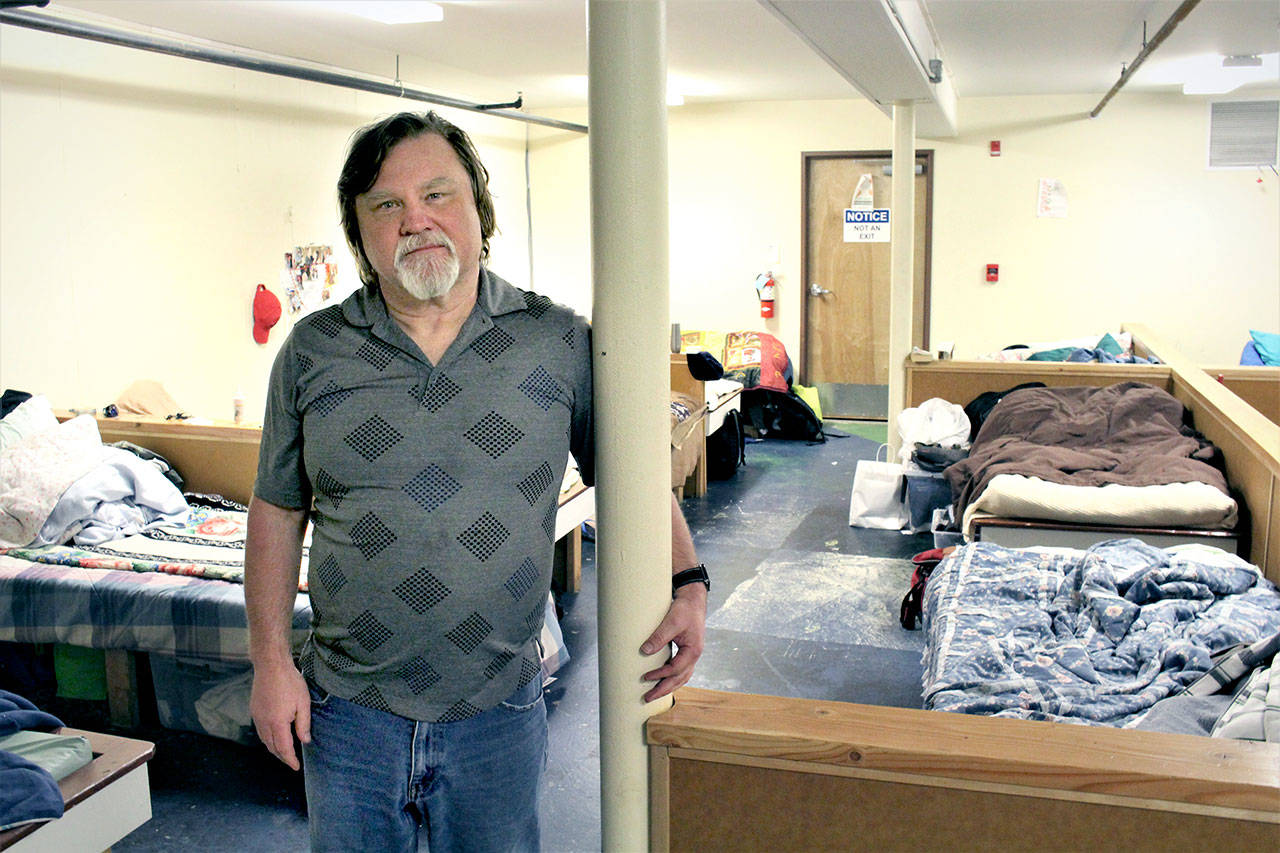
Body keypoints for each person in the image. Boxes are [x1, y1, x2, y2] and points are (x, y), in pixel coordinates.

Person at [245, 111, 706, 853]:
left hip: (499, 708)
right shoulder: (313, 351)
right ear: (361, 231)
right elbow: (275, 509)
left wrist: (687, 578)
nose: (416, 220)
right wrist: (270, 662)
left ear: (479, 212)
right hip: (348, 711)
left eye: (438, 194)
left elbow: (628, 475)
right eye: (386, 205)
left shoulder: (557, 342)